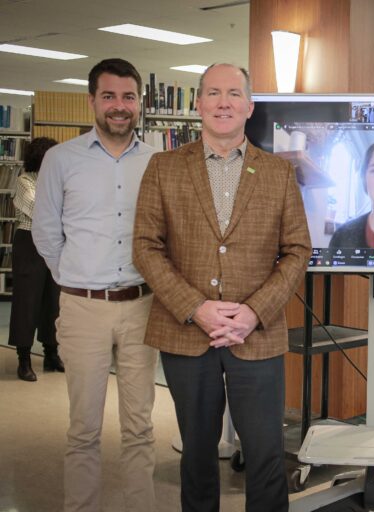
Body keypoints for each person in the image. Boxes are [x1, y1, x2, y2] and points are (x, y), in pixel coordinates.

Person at [133, 63, 311, 512]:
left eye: (234, 93)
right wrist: (197, 307)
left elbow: (297, 251)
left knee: (267, 454)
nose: (223, 102)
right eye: (213, 92)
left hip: (258, 334)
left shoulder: (278, 172)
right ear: (198, 104)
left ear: (250, 106)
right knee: (196, 455)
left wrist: (253, 312)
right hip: (187, 332)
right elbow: (146, 248)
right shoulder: (163, 167)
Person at [32, 58, 158, 512]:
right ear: (92, 101)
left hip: (142, 306)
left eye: (128, 97)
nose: (119, 107)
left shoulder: (157, 161)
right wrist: (73, 277)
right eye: (109, 97)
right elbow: (46, 233)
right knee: (83, 428)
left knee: (140, 427)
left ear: (139, 103)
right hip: (83, 308)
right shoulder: (60, 160)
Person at [9, 136, 63, 382]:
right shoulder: (24, 181)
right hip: (29, 242)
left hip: (55, 244)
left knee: (54, 299)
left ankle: (51, 353)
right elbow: (36, 210)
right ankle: (23, 358)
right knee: (27, 301)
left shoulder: (58, 182)